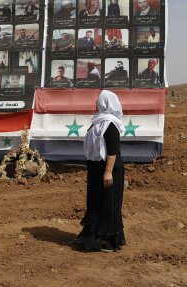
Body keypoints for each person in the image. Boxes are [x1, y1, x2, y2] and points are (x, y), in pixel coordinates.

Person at [76, 90, 126, 252]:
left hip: (108, 170)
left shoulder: (110, 124)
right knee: (97, 202)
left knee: (108, 202)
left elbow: (112, 151)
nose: (96, 103)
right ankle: (94, 235)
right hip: (97, 168)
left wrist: (107, 172)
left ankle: (107, 240)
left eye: (99, 101)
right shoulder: (98, 121)